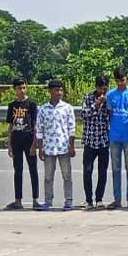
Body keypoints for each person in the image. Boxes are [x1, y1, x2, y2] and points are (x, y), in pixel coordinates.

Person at [35, 79, 76, 211]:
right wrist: (40, 148)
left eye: (61, 90)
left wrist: (72, 146)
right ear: (50, 91)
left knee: (67, 176)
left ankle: (68, 201)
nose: (59, 92)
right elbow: (39, 129)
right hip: (48, 148)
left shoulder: (67, 108)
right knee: (48, 177)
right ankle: (48, 201)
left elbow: (72, 128)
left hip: (63, 146)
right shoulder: (42, 109)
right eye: (56, 90)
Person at [106, 66, 128, 209]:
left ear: (127, 79)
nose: (121, 83)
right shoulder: (110, 95)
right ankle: (117, 199)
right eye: (118, 81)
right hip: (114, 136)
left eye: (123, 80)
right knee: (116, 169)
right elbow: (110, 114)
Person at [4, 77, 39, 210]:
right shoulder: (12, 106)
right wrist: (9, 144)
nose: (22, 90)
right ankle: (18, 200)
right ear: (15, 90)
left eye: (24, 87)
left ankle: (35, 199)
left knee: (33, 170)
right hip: (16, 140)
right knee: (18, 170)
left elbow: (35, 125)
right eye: (19, 88)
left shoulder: (31, 104)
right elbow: (10, 126)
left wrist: (34, 144)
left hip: (28, 139)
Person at [80, 74, 111, 210]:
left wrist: (107, 103)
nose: (102, 92)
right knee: (87, 170)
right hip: (90, 139)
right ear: (96, 87)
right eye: (100, 89)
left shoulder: (109, 98)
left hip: (104, 140)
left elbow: (113, 115)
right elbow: (84, 115)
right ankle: (88, 200)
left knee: (102, 171)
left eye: (105, 89)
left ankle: (99, 199)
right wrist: (97, 104)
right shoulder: (88, 97)